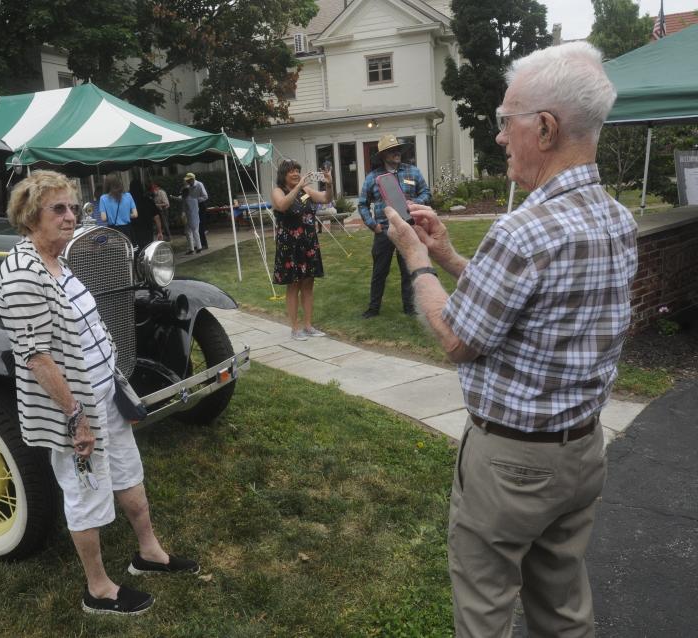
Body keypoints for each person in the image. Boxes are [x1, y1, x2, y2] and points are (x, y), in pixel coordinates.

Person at [381, 42, 637, 637]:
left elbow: (457, 338)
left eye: (505, 120)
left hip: (513, 464)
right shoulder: (615, 218)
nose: (499, 136)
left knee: (484, 611)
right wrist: (446, 253)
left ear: (544, 128)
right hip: (582, 451)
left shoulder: (522, 230)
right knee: (564, 606)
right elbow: (524, 305)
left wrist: (416, 260)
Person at [0, 170, 199, 616]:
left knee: (128, 471)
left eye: (73, 208)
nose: (71, 217)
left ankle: (149, 554)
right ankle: (98, 589)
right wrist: (75, 417)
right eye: (59, 209)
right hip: (73, 409)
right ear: (31, 217)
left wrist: (115, 385)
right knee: (84, 493)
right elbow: (38, 358)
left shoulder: (59, 261)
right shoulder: (21, 275)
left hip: (106, 393)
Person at [357, 135, 431, 318]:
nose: (396, 153)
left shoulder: (413, 172)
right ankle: (373, 309)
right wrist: (373, 225)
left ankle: (410, 308)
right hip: (384, 230)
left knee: (408, 270)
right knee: (379, 272)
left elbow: (426, 192)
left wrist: (415, 202)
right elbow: (362, 204)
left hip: (408, 228)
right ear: (383, 155)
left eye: (398, 149)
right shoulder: (373, 177)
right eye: (391, 150)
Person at [270, 159, 332, 341]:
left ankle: (308, 326)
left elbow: (326, 199)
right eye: (292, 171)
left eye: (298, 170)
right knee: (293, 284)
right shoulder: (278, 191)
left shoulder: (306, 190)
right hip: (290, 245)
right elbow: (282, 205)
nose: (296, 173)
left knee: (308, 284)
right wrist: (298, 188)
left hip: (308, 242)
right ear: (283, 174)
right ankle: (295, 328)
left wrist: (329, 184)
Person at [98, 174, 137, 242]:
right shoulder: (128, 195)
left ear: (107, 185)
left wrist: (111, 216)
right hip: (127, 230)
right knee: (130, 250)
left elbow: (103, 218)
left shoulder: (103, 198)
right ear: (119, 183)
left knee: (116, 251)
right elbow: (135, 214)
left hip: (113, 231)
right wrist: (125, 215)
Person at [129, 178, 163, 251]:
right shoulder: (148, 200)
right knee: (147, 251)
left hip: (134, 231)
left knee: (136, 251)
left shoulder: (128, 202)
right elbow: (156, 217)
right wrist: (159, 231)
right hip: (148, 230)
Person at [178, 172, 208, 255]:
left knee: (196, 230)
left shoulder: (199, 185)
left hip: (198, 207)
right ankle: (194, 247)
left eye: (188, 181)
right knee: (189, 231)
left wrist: (196, 200)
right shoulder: (187, 189)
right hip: (191, 211)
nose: (187, 182)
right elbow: (184, 203)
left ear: (192, 179)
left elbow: (205, 196)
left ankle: (200, 246)